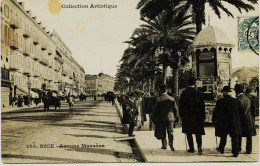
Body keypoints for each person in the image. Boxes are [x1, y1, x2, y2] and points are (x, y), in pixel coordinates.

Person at [212, 86, 242, 157]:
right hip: (233, 122)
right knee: (234, 137)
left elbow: (215, 112)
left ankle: (221, 149)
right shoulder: (236, 101)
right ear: (230, 92)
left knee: (223, 137)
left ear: (225, 92)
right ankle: (235, 152)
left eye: (223, 92)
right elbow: (240, 112)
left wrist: (214, 120)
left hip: (223, 123)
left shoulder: (220, 101)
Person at [179, 77, 205, 155]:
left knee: (188, 132)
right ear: (194, 84)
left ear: (188, 83)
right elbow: (202, 106)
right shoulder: (199, 93)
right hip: (198, 116)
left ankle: (192, 148)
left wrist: (181, 116)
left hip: (187, 116)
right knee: (198, 133)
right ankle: (199, 147)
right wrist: (203, 116)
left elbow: (181, 106)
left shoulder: (184, 93)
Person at [153, 84, 179, 151]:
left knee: (163, 132)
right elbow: (175, 109)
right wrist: (177, 117)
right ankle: (171, 145)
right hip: (170, 117)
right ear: (166, 90)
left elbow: (155, 110)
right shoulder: (172, 99)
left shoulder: (158, 99)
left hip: (162, 118)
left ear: (161, 90)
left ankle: (164, 145)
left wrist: (153, 118)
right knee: (170, 131)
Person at [234, 84, 256, 154]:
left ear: (236, 91)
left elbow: (236, 112)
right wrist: (252, 118)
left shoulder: (237, 100)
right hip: (249, 119)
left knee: (238, 135)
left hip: (240, 120)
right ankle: (249, 150)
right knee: (249, 136)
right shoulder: (249, 98)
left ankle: (238, 148)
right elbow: (253, 110)